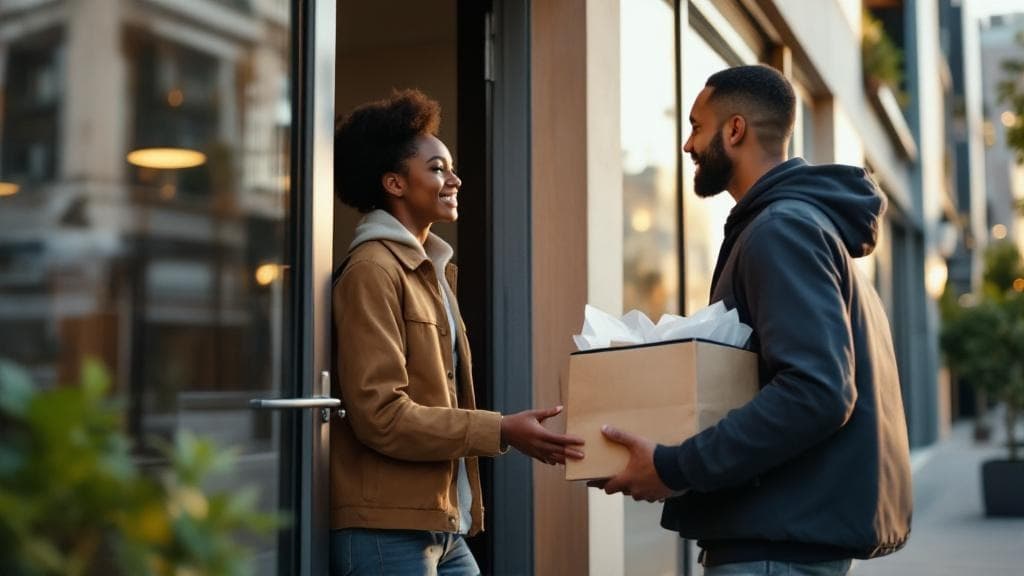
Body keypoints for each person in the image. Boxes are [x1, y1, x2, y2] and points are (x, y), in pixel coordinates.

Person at [594, 65, 912, 576]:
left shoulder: (780, 230)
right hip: (778, 543)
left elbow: (818, 390)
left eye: (697, 126)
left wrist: (674, 466)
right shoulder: (794, 225)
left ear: (734, 130)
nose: (687, 144)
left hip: (773, 553)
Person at [330, 89, 585, 575]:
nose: (455, 179)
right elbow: (380, 415)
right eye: (437, 168)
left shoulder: (430, 269)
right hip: (385, 531)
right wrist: (502, 428)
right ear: (394, 183)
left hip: (440, 522)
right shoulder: (372, 270)